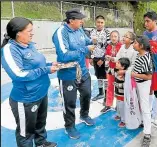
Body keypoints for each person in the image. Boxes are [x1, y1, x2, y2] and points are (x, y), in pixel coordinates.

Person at [1, 17, 58, 147]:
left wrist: (50, 64)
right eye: (29, 31)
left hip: (41, 93)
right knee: (25, 133)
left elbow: (36, 64)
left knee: (40, 123)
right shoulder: (10, 50)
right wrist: (46, 69)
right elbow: (18, 74)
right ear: (18, 33)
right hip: (25, 98)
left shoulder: (29, 45)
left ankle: (41, 143)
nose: (32, 33)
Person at [52, 8, 95, 139]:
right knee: (69, 102)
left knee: (87, 93)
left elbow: (86, 41)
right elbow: (64, 55)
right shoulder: (61, 32)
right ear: (71, 21)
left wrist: (93, 41)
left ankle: (84, 115)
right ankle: (69, 126)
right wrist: (85, 49)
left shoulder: (79, 29)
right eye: (79, 19)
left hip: (83, 70)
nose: (82, 21)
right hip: (68, 74)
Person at [131, 35, 153, 147]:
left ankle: (147, 133)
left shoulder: (146, 58)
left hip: (143, 84)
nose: (133, 44)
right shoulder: (138, 54)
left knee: (145, 108)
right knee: (140, 104)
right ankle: (143, 122)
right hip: (137, 83)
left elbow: (149, 77)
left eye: (135, 43)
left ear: (141, 46)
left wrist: (134, 74)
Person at [90, 15, 111, 103]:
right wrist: (91, 57)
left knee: (105, 77)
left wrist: (102, 59)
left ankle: (106, 95)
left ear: (104, 23)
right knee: (98, 76)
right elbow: (91, 45)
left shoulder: (107, 32)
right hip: (95, 58)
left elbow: (109, 47)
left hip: (104, 59)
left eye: (102, 22)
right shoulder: (92, 31)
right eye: (98, 22)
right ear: (95, 22)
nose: (100, 24)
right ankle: (100, 93)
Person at [101, 30, 122, 113]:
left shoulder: (121, 46)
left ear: (118, 37)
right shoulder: (108, 46)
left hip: (118, 70)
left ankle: (118, 105)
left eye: (115, 36)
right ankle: (108, 104)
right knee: (109, 86)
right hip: (110, 69)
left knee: (118, 87)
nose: (113, 38)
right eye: (112, 36)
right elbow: (106, 55)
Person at [113, 57, 131, 127]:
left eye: (118, 63)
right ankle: (118, 115)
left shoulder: (125, 75)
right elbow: (108, 71)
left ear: (123, 67)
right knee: (118, 105)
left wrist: (117, 85)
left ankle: (124, 120)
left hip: (122, 95)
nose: (116, 64)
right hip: (117, 94)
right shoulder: (116, 71)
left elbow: (126, 85)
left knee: (122, 107)